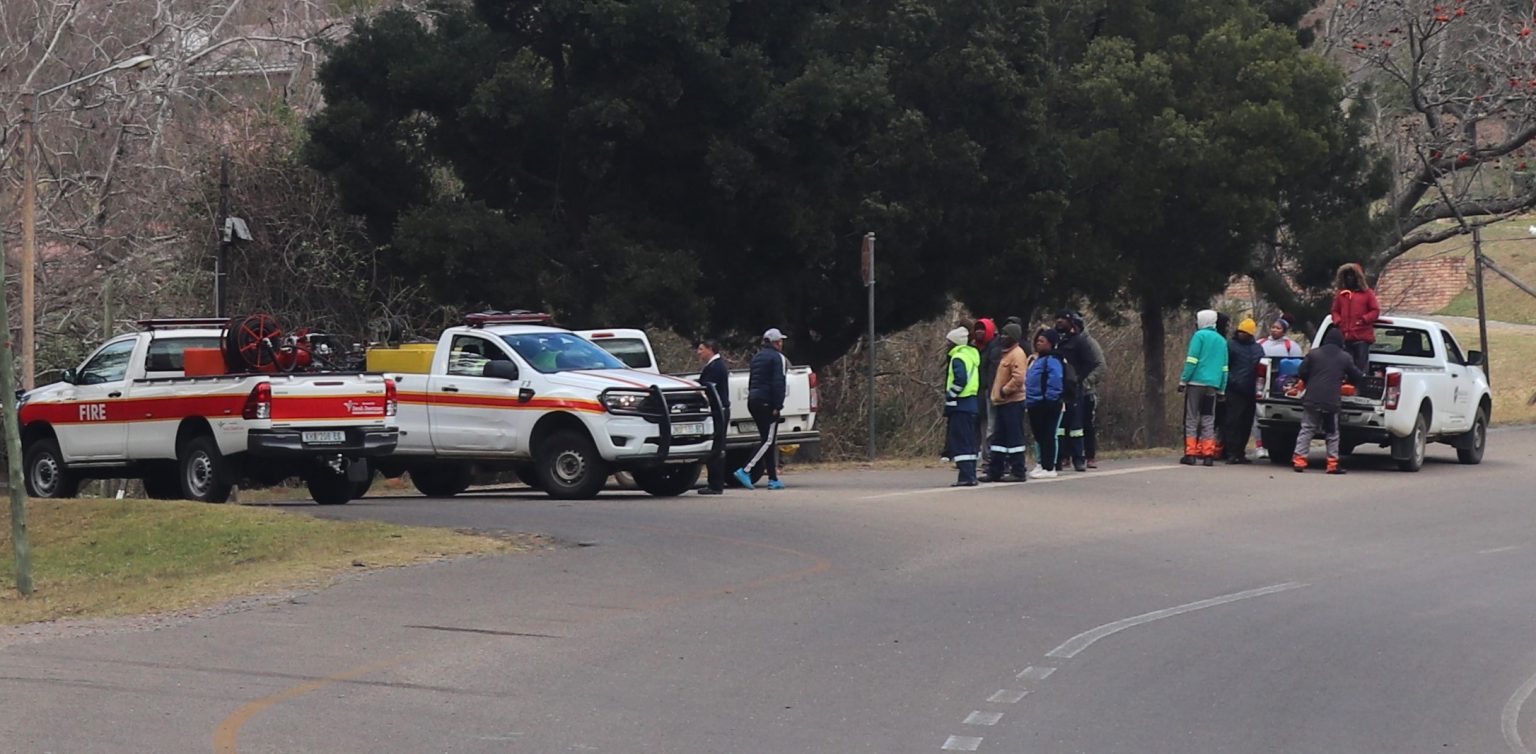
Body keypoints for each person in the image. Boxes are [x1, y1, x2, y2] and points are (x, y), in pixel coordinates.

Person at [1292, 329, 1365, 474]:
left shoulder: (1314, 354)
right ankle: (1332, 464)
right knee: (1332, 433)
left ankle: (1299, 460)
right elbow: (1356, 375)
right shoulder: (1344, 357)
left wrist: (1309, 380)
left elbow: (1301, 371)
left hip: (1312, 398)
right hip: (1331, 401)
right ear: (1341, 342)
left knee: (1307, 429)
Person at [734, 328, 789, 490]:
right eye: (780, 341)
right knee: (768, 440)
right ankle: (745, 470)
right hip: (767, 402)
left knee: (768, 440)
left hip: (754, 400)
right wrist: (778, 405)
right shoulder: (777, 358)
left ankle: (773, 478)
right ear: (776, 342)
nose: (781, 343)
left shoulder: (757, 357)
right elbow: (779, 383)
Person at [1179, 309, 1228, 466]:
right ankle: (1208, 454)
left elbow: (1192, 360)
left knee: (1192, 417)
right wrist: (1222, 388)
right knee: (1208, 418)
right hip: (1212, 385)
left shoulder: (1199, 336)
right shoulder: (1221, 340)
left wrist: (1183, 380)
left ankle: (1191, 453)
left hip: (1196, 383)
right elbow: (1224, 368)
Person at [982, 323, 1029, 482]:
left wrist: (1005, 390)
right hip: (1002, 403)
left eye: (1006, 334)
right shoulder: (1006, 354)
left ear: (1014, 337)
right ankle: (995, 470)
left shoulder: (1017, 354)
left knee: (1014, 438)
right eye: (1002, 334)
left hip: (1013, 403)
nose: (1002, 337)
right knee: (998, 440)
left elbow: (1019, 378)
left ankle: (1018, 471)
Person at [1054, 311, 1099, 472]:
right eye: (1057, 319)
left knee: (1076, 427)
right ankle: (1058, 458)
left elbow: (1091, 363)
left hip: (1073, 391)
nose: (1059, 321)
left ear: (1071, 322)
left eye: (1063, 319)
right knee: (1059, 426)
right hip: (1057, 389)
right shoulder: (1055, 341)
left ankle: (1079, 459)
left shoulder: (1080, 341)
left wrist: (1078, 379)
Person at [1252, 317, 1303, 459]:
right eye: (1273, 327)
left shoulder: (1291, 346)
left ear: (1284, 331)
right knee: (1256, 415)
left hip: (1281, 388)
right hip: (1260, 384)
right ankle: (1259, 446)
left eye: (1278, 328)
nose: (1274, 330)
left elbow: (1297, 366)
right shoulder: (1260, 343)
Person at [943, 327, 982, 486]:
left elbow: (960, 380)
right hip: (971, 403)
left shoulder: (958, 358)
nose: (947, 345)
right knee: (969, 441)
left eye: (948, 342)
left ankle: (966, 476)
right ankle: (970, 474)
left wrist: (951, 395)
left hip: (961, 404)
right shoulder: (971, 356)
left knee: (961, 441)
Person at [1222, 318, 1265, 464]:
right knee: (1233, 422)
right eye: (1240, 332)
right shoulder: (1231, 346)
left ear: (1250, 334)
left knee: (1246, 423)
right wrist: (1231, 381)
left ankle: (1240, 452)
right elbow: (1225, 365)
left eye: (1245, 333)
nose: (1241, 334)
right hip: (1234, 390)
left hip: (1250, 391)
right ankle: (1231, 452)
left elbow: (1261, 368)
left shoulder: (1257, 348)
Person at [1026, 329, 1065, 478]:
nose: (1038, 343)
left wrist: (1050, 399)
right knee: (1039, 435)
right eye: (1037, 340)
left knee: (1048, 435)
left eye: (1042, 341)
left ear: (1051, 343)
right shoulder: (1038, 359)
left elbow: (1055, 380)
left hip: (1046, 403)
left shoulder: (1052, 360)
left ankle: (1049, 467)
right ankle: (1041, 464)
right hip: (1034, 402)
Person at [695, 339, 730, 495]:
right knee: (716, 446)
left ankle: (715, 484)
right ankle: (715, 482)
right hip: (717, 410)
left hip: (719, 410)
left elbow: (708, 388)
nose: (699, 352)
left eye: (701, 349)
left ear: (710, 349)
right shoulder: (712, 366)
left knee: (716, 447)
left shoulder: (716, 367)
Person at [1331, 262, 1381, 373]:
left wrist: (1364, 319)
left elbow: (1375, 310)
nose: (1349, 278)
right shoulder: (1341, 295)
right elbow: (1335, 311)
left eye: (1352, 276)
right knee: (1346, 367)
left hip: (1361, 337)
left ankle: (1359, 387)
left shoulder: (1368, 294)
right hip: (1345, 337)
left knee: (1360, 367)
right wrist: (1339, 321)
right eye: (1347, 276)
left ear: (1357, 278)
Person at [972, 318, 998, 464]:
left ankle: (988, 455)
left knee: (989, 425)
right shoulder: (974, 348)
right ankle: (976, 453)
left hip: (989, 390)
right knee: (977, 422)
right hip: (976, 390)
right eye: (977, 329)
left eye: (982, 329)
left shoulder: (994, 348)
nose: (979, 332)